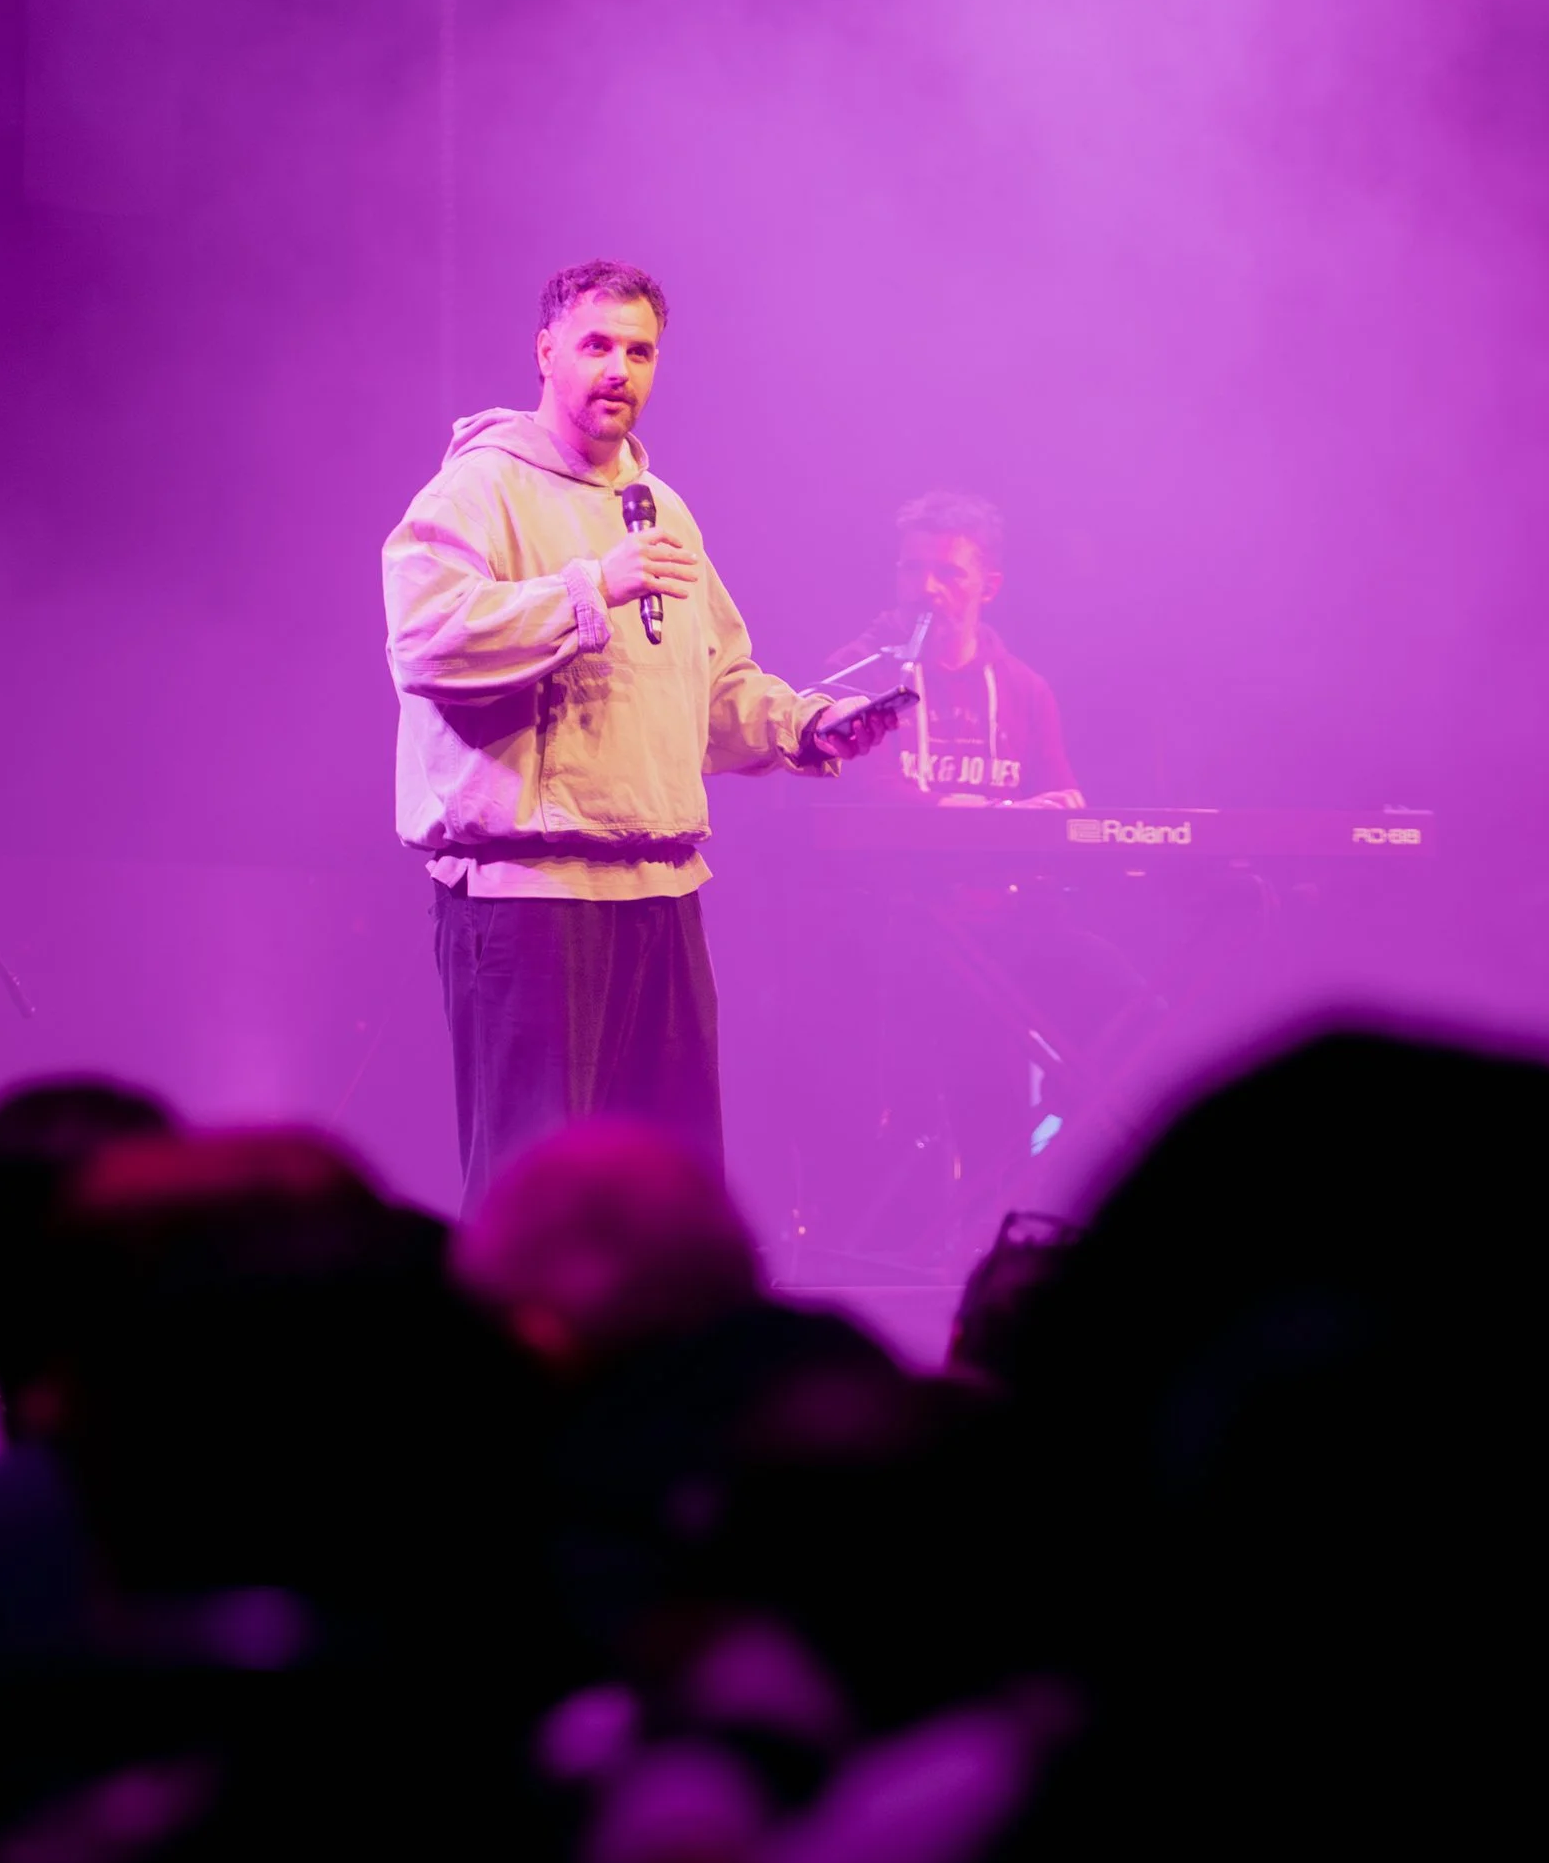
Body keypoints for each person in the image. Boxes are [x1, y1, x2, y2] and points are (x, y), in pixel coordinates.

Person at [385, 258, 898, 1213]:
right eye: (595, 345)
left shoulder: (664, 511)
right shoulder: (477, 492)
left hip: (660, 894)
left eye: (639, 350)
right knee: (536, 1201)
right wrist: (591, 588)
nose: (618, 368)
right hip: (533, 902)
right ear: (545, 353)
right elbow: (423, 642)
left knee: (668, 1197)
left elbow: (712, 685)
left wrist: (809, 727)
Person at [829, 491, 1082, 809]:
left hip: (996, 861)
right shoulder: (855, 670)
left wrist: (1065, 807)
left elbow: (1056, 798)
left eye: (948, 573)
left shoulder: (1026, 690)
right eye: (912, 569)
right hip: (889, 860)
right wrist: (997, 813)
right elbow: (868, 795)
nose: (927, 587)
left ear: (989, 587)